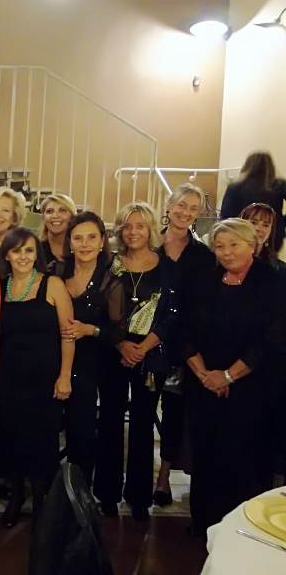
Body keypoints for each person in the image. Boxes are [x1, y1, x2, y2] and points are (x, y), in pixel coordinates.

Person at [183, 219, 286, 535]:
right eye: (219, 246)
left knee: (246, 458)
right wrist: (205, 375)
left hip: (253, 388)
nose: (226, 252)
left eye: (234, 245)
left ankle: (242, 529)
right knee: (206, 453)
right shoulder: (205, 280)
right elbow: (185, 330)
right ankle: (204, 523)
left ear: (252, 245)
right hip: (204, 385)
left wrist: (228, 376)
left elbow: (273, 339)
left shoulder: (273, 282)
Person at [93, 202, 178, 522]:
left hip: (150, 355)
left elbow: (173, 315)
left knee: (143, 426)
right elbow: (98, 309)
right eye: (127, 226)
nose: (133, 232)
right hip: (113, 352)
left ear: (150, 229)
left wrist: (143, 347)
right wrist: (121, 344)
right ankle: (107, 494)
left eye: (140, 225)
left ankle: (139, 497)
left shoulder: (166, 267)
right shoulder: (110, 265)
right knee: (110, 422)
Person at [0, 228, 74, 528]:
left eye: (29, 250)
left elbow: (68, 335)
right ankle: (16, 497)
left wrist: (64, 376)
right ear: (7, 255)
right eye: (16, 251)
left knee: (42, 441)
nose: (23, 257)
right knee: (13, 438)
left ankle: (42, 502)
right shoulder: (0, 286)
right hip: (9, 377)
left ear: (36, 254)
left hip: (45, 379)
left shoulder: (52, 284)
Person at [154, 184, 214, 508]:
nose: (186, 212)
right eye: (181, 205)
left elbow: (204, 304)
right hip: (148, 342)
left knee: (174, 414)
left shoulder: (203, 255)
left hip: (183, 347)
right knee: (142, 414)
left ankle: (163, 478)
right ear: (169, 205)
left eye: (193, 208)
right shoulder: (150, 244)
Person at [60, 212, 111, 488]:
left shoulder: (112, 275)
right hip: (59, 360)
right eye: (78, 238)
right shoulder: (58, 272)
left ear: (102, 241)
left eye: (92, 237)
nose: (85, 244)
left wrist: (91, 330)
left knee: (84, 432)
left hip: (97, 363)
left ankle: (81, 492)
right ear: (69, 242)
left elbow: (122, 330)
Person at [220, 151, 286, 254]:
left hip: (241, 235)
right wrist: (281, 222)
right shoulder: (279, 185)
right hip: (272, 236)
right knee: (268, 261)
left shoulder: (236, 186)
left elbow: (226, 216)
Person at [239, 202, 286, 273]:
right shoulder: (227, 258)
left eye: (266, 225)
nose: (259, 228)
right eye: (253, 222)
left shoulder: (279, 269)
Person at [40, 193, 77, 275]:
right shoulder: (35, 250)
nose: (55, 216)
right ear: (43, 218)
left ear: (72, 217)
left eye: (62, 211)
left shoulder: (81, 248)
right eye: (49, 211)